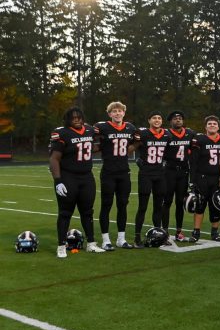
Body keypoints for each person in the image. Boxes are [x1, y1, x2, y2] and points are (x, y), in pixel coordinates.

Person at [50, 106, 105, 258]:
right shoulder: (61, 132)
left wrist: (104, 145)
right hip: (68, 177)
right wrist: (58, 180)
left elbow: (89, 147)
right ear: (68, 119)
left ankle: (92, 244)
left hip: (86, 176)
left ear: (82, 117)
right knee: (65, 212)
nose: (76, 120)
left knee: (88, 212)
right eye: (73, 118)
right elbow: (54, 158)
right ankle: (61, 246)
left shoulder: (89, 130)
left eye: (78, 117)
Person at [93, 101, 137, 250]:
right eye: (114, 111)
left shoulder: (130, 128)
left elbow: (137, 142)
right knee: (106, 205)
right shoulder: (102, 127)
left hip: (124, 172)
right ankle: (105, 240)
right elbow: (91, 139)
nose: (117, 113)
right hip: (108, 172)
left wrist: (128, 149)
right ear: (110, 114)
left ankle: (121, 239)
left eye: (120, 111)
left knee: (122, 205)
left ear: (124, 113)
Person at [131, 111, 172, 248]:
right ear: (149, 120)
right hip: (146, 173)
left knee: (158, 207)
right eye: (154, 117)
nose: (157, 120)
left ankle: (159, 235)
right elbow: (133, 146)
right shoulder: (143, 134)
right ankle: (137, 237)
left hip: (160, 174)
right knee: (142, 206)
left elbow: (168, 153)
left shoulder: (167, 135)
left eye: (159, 118)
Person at [161, 110, 196, 241]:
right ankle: (164, 229)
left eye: (180, 118)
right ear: (170, 121)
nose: (178, 120)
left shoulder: (190, 133)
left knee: (180, 202)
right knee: (167, 201)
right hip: (169, 170)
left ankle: (179, 231)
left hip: (183, 170)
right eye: (175, 118)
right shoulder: (166, 133)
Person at [190, 116, 220, 241]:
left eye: (215, 123)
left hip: (216, 178)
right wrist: (192, 181)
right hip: (202, 177)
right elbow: (193, 162)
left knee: (216, 204)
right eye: (209, 123)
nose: (212, 125)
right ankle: (196, 232)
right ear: (205, 127)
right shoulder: (199, 139)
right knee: (200, 205)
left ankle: (215, 232)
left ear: (218, 126)